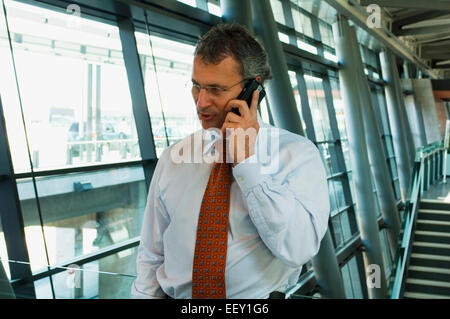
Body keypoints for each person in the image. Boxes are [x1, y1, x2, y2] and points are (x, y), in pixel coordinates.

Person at [131, 23, 330, 299]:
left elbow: (298, 247)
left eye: (215, 89)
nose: (201, 103)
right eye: (196, 86)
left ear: (252, 89)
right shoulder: (173, 158)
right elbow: (152, 256)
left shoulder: (297, 155)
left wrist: (247, 163)